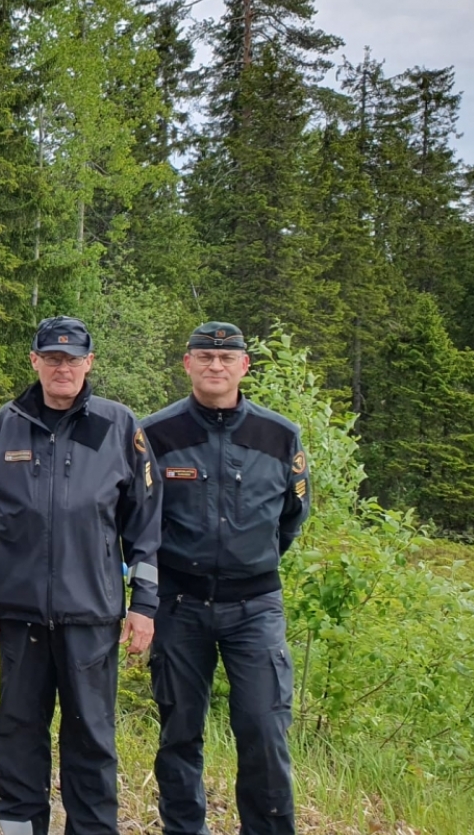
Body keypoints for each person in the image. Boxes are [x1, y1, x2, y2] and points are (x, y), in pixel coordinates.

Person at [0, 316, 162, 835]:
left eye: (72, 359)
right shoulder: (8, 422)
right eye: (52, 358)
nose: (63, 368)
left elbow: (146, 525)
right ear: (34, 361)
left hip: (92, 615)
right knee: (16, 732)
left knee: (92, 741)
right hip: (20, 615)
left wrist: (145, 604)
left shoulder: (118, 425)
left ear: (89, 364)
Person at [140, 322, 311, 835]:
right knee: (180, 732)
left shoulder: (280, 435)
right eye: (205, 357)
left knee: (263, 729)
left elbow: (292, 516)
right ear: (187, 363)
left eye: (227, 357)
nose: (216, 366)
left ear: (244, 366)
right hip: (179, 604)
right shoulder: (155, 433)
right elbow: (140, 515)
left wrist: (247, 559)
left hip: (254, 606)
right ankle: (184, 829)